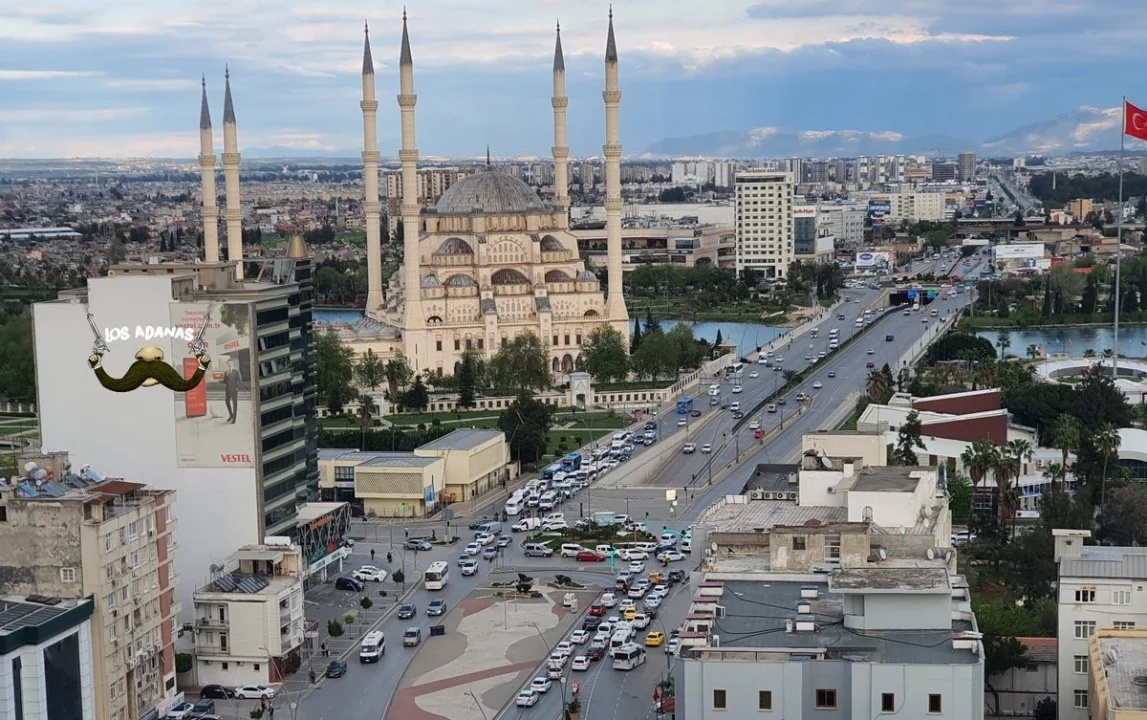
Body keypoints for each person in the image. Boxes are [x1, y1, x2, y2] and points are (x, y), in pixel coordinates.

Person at [223, 357, 241, 424]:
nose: (229, 365)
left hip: (234, 390)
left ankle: (234, 418)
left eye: (230, 363)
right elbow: (225, 381)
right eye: (228, 364)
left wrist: (237, 388)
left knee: (234, 404)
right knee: (227, 402)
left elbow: (240, 381)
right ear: (227, 364)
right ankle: (231, 415)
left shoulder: (236, 371)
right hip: (227, 390)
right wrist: (224, 376)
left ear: (232, 364)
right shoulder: (226, 372)